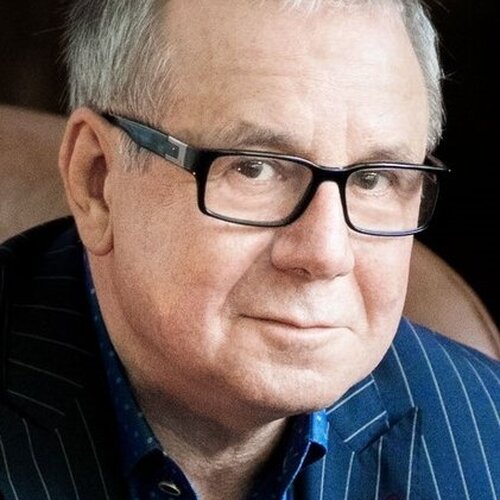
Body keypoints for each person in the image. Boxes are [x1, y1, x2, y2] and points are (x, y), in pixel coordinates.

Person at [0, 0, 498, 498]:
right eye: (254, 168)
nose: (326, 255)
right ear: (97, 181)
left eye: (374, 179)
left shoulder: (486, 434)